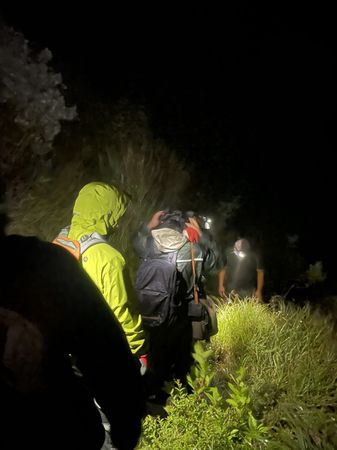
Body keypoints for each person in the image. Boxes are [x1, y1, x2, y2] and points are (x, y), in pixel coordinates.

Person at [0, 212, 145, 450]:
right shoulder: (39, 262)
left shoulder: (52, 253)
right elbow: (106, 352)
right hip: (61, 428)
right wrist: (125, 427)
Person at [133, 210, 218, 404]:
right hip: (183, 315)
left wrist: (148, 224)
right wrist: (202, 235)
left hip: (154, 312)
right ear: (183, 227)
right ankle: (183, 398)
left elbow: (134, 242)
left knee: (156, 355)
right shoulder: (193, 249)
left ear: (161, 225)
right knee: (183, 359)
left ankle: (155, 397)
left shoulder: (149, 245)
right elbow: (215, 264)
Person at [57, 182, 147, 362]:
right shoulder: (108, 257)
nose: (119, 223)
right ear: (106, 214)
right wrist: (139, 350)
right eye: (117, 216)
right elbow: (122, 311)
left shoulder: (62, 240)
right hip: (98, 351)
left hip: (62, 346)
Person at [218, 237, 264, 301]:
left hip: (248, 289)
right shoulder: (229, 254)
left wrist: (259, 290)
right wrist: (220, 285)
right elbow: (223, 270)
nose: (240, 254)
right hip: (231, 288)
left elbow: (260, 272)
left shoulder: (254, 256)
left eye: (243, 252)